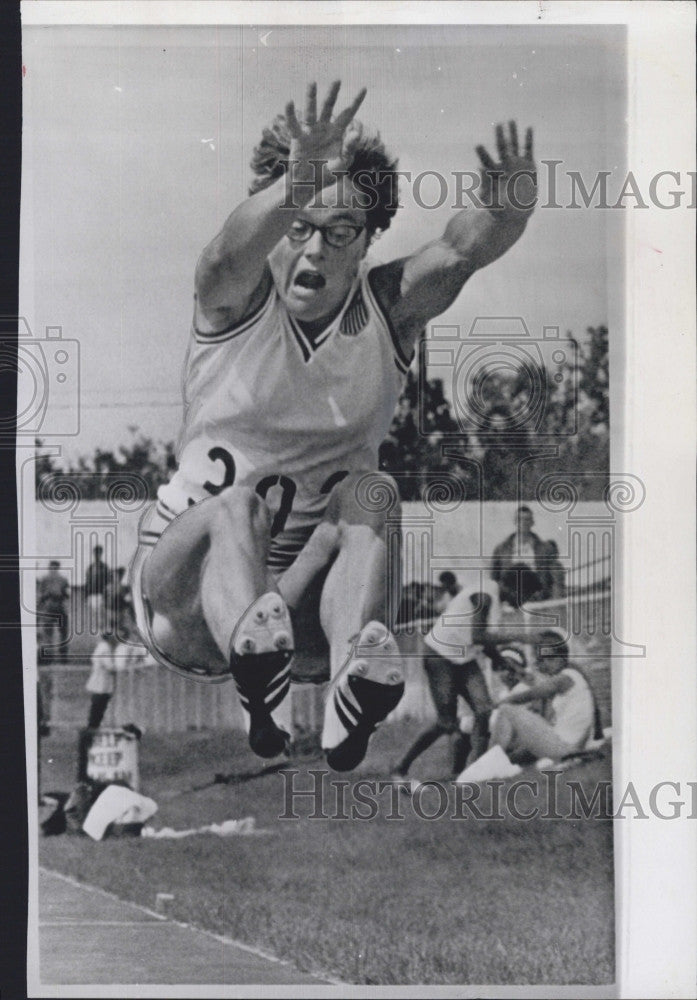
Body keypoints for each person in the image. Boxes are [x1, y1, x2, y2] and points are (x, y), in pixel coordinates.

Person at [128, 79, 537, 771]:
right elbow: (225, 256)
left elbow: (463, 250)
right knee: (238, 508)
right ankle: (259, 683)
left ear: (369, 239)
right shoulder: (234, 303)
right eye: (297, 227)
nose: (314, 252)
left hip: (302, 609)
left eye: (339, 232)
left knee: (371, 493)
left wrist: (511, 208)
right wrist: (298, 179)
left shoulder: (387, 310)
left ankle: (351, 680)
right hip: (187, 598)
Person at [489, 631, 596, 763]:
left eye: (549, 659)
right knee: (514, 758)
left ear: (561, 658)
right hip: (563, 743)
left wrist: (502, 702)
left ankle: (490, 759)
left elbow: (533, 693)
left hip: (566, 746)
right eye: (541, 660)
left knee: (506, 709)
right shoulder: (569, 676)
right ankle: (495, 761)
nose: (544, 664)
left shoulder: (566, 677)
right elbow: (538, 686)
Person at [491, 505, 552, 607]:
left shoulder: (545, 548)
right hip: (510, 597)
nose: (523, 523)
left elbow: (553, 577)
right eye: (520, 520)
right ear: (515, 522)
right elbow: (494, 578)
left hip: (536, 595)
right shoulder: (501, 549)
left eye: (527, 520)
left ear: (532, 522)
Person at [37, 560, 70, 662]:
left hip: (59, 606)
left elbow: (67, 594)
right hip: (50, 607)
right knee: (49, 632)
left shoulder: (63, 580)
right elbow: (41, 595)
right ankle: (50, 656)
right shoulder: (45, 579)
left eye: (55, 568)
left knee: (62, 632)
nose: (53, 570)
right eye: (52, 568)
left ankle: (61, 655)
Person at [85, 545, 109, 635]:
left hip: (101, 594)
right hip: (92, 595)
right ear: (93, 554)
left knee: (101, 614)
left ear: (101, 554)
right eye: (95, 553)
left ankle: (102, 631)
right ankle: (99, 630)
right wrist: (86, 596)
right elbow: (87, 582)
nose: (97, 555)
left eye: (99, 553)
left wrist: (106, 595)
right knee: (95, 614)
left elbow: (107, 582)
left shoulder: (104, 567)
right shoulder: (90, 568)